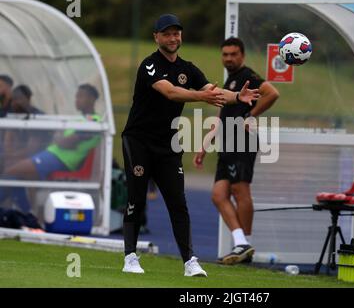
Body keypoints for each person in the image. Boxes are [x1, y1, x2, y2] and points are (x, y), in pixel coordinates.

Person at [121, 14, 259, 276]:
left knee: (178, 202)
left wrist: (238, 96)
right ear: (157, 37)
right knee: (136, 199)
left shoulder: (189, 68)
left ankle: (189, 261)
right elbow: (171, 92)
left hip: (168, 144)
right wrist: (202, 96)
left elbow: (214, 91)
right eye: (167, 34)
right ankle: (130, 257)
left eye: (176, 33)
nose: (173, 38)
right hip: (138, 141)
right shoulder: (149, 65)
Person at [193, 37, 280, 265]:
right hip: (227, 143)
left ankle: (244, 243)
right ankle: (241, 242)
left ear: (242, 55)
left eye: (233, 54)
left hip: (243, 141)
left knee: (240, 191)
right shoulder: (230, 80)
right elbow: (222, 118)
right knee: (218, 195)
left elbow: (272, 93)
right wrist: (205, 144)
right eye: (225, 54)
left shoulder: (247, 77)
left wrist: (250, 116)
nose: (229, 58)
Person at [0, 84, 100, 212]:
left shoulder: (94, 122)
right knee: (18, 176)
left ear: (92, 99)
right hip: (52, 155)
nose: (77, 100)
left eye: (81, 96)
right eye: (76, 96)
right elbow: (60, 138)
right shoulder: (81, 119)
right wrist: (60, 139)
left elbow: (65, 142)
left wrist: (60, 140)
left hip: (60, 160)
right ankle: (27, 211)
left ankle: (25, 212)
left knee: (10, 172)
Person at [3, 85, 50, 169]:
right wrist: (8, 155)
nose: (14, 103)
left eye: (18, 99)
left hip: (37, 158)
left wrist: (12, 156)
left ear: (28, 99)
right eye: (13, 100)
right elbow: (8, 140)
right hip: (17, 156)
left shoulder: (38, 117)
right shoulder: (13, 116)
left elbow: (32, 148)